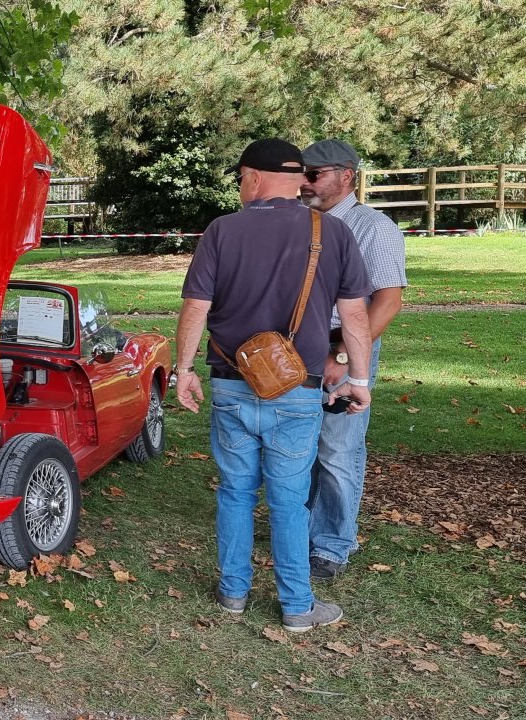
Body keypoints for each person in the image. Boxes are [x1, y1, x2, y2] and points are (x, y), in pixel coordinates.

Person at [173, 138, 374, 633]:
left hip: (231, 384)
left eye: (242, 178)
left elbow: (196, 306)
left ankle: (233, 592)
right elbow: (354, 315)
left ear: (255, 178)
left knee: (235, 492)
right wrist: (358, 378)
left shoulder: (222, 231)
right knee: (288, 500)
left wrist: (184, 370)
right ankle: (297, 606)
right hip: (297, 391)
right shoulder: (333, 232)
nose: (241, 187)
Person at [298, 139, 409, 581]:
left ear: (347, 176)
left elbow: (388, 302)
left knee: (338, 448)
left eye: (314, 174)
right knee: (299, 442)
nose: (304, 183)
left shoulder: (374, 228)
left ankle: (331, 544)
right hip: (297, 349)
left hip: (343, 346)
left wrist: (344, 355)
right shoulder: (300, 222)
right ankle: (305, 529)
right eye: (301, 174)